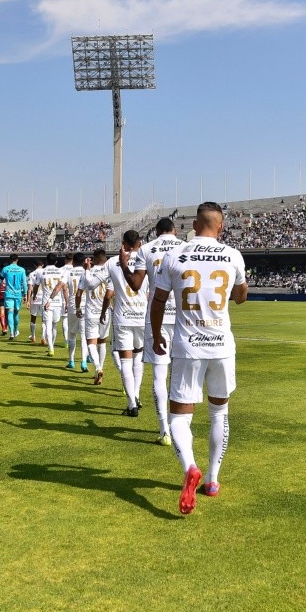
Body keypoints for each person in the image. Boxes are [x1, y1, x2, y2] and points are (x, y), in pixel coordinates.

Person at [151, 201, 247, 515]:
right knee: (219, 413)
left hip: (187, 346)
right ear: (220, 227)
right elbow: (240, 297)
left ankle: (191, 467)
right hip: (221, 346)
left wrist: (155, 335)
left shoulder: (175, 255)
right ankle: (214, 480)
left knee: (179, 417)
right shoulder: (232, 255)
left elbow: (158, 300)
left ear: (195, 224)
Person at [126, 217, 184, 445]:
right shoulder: (184, 247)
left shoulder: (147, 249)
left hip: (156, 316)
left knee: (160, 375)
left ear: (156, 232)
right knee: (179, 374)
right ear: (175, 230)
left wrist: (123, 265)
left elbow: (136, 285)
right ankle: (179, 424)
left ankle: (164, 430)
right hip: (181, 315)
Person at [96, 230, 149, 417]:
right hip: (142, 316)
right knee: (138, 358)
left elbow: (93, 282)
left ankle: (131, 403)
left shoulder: (112, 262)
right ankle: (136, 394)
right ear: (139, 244)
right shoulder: (146, 259)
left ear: (123, 243)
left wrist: (87, 270)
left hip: (123, 318)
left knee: (125, 360)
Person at [76, 249, 111, 385]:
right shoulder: (109, 271)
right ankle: (100, 370)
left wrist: (78, 308)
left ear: (94, 259)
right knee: (102, 342)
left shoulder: (87, 273)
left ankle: (98, 368)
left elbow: (79, 294)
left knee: (91, 342)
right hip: (105, 311)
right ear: (105, 259)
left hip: (91, 312)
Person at [56, 252, 89, 371]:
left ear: (73, 261)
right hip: (85, 306)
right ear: (84, 261)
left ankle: (71, 360)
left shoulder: (68, 273)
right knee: (84, 336)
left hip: (72, 306)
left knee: (72, 335)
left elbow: (60, 285)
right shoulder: (86, 272)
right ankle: (84, 361)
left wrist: (50, 298)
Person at [32, 252, 67, 357]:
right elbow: (64, 287)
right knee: (55, 325)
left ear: (46, 261)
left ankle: (51, 348)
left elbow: (36, 286)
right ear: (56, 261)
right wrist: (66, 301)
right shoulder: (60, 271)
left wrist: (34, 295)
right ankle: (51, 346)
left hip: (46, 301)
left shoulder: (41, 272)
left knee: (48, 325)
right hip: (58, 302)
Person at [0, 254, 29, 339]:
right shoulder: (22, 270)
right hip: (18, 294)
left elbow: (0, 280)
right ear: (17, 260)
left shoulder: (6, 269)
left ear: (9, 260)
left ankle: (11, 332)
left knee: (10, 312)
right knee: (16, 313)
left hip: (8, 293)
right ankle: (16, 331)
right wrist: (25, 295)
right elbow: (25, 283)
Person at [27, 260, 46, 344]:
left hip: (35, 298)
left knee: (33, 318)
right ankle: (43, 337)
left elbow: (30, 288)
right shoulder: (46, 272)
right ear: (43, 264)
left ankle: (33, 336)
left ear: (35, 265)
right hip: (44, 298)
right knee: (44, 319)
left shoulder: (32, 274)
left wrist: (28, 300)